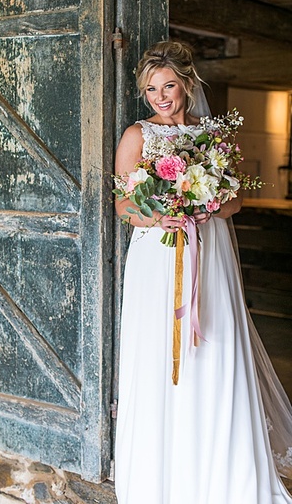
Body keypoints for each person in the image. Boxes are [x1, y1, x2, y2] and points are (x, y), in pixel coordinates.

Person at [114, 41, 292, 504]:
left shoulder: (212, 134)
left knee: (216, 342)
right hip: (157, 257)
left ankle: (221, 470)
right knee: (159, 350)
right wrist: (159, 216)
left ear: (187, 84)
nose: (160, 97)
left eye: (168, 86)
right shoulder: (137, 135)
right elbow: (123, 205)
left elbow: (235, 200)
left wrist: (206, 204)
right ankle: (159, 476)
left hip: (208, 252)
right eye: (151, 89)